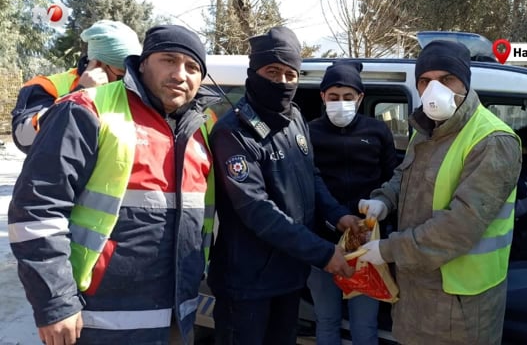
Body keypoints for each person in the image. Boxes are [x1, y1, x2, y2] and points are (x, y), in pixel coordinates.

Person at [8, 24, 213, 345]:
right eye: (169, 60)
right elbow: (36, 211)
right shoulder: (85, 109)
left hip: (177, 316)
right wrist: (55, 303)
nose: (180, 74)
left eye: (192, 67)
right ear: (142, 62)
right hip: (97, 318)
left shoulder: (201, 129)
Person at [357, 40, 522, 345]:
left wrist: (387, 250)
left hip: (460, 304)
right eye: (425, 81)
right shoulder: (427, 128)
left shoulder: (492, 140)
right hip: (417, 291)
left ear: (465, 83)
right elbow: (404, 176)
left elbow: (460, 225)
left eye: (446, 79)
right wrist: (383, 200)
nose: (434, 89)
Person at [207, 26, 360, 345]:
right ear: (254, 72)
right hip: (247, 285)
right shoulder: (232, 133)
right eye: (272, 71)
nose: (283, 81)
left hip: (289, 278)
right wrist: (323, 253)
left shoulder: (295, 118)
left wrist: (337, 216)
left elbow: (311, 177)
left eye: (291, 74)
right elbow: (258, 211)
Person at [307, 60, 398, 345]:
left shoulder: (377, 131)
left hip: (366, 243)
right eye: (333, 97)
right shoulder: (308, 132)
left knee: (364, 322)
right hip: (322, 241)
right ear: (322, 97)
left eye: (348, 97)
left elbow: (392, 178)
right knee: (327, 319)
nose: (340, 103)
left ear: (360, 98)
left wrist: (380, 215)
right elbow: (309, 184)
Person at [11, 19, 142, 153]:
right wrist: (77, 94)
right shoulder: (46, 86)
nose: (126, 81)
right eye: (121, 74)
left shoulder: (134, 90)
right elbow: (24, 138)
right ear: (97, 65)